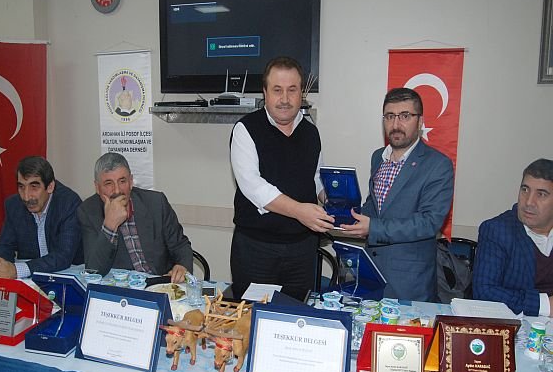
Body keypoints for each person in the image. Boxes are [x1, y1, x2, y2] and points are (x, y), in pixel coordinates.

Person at [229, 56, 334, 299]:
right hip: (256, 250)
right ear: (265, 93)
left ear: (301, 94)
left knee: (297, 316)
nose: (285, 99)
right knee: (253, 316)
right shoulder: (245, 129)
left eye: (292, 90)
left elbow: (315, 177)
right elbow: (253, 186)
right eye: (277, 90)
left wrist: (332, 198)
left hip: (303, 250)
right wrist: (300, 211)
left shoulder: (311, 132)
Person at [340, 88, 454, 301]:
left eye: (405, 116)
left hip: (409, 283)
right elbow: (375, 206)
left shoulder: (438, 165)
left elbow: (429, 222)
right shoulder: (378, 157)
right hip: (371, 274)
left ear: (420, 122)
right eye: (390, 116)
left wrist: (373, 228)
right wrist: (344, 214)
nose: (396, 124)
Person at [77, 152, 192, 283]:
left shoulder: (156, 202)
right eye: (108, 183)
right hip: (123, 287)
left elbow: (180, 245)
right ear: (97, 188)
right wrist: (110, 225)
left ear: (131, 181)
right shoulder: (88, 212)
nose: (117, 190)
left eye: (122, 181)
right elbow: (94, 270)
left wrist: (182, 266)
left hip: (159, 282)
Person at [473, 159, 553, 316]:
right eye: (525, 190)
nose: (529, 202)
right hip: (516, 324)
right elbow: (484, 291)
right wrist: (545, 305)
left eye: (541, 194)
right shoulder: (497, 230)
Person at [0, 156, 83, 279]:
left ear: (50, 186)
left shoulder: (69, 203)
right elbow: (5, 246)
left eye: (34, 187)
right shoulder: (14, 205)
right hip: (30, 278)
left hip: (66, 275)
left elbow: (63, 256)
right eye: (21, 187)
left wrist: (16, 270)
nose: (26, 197)